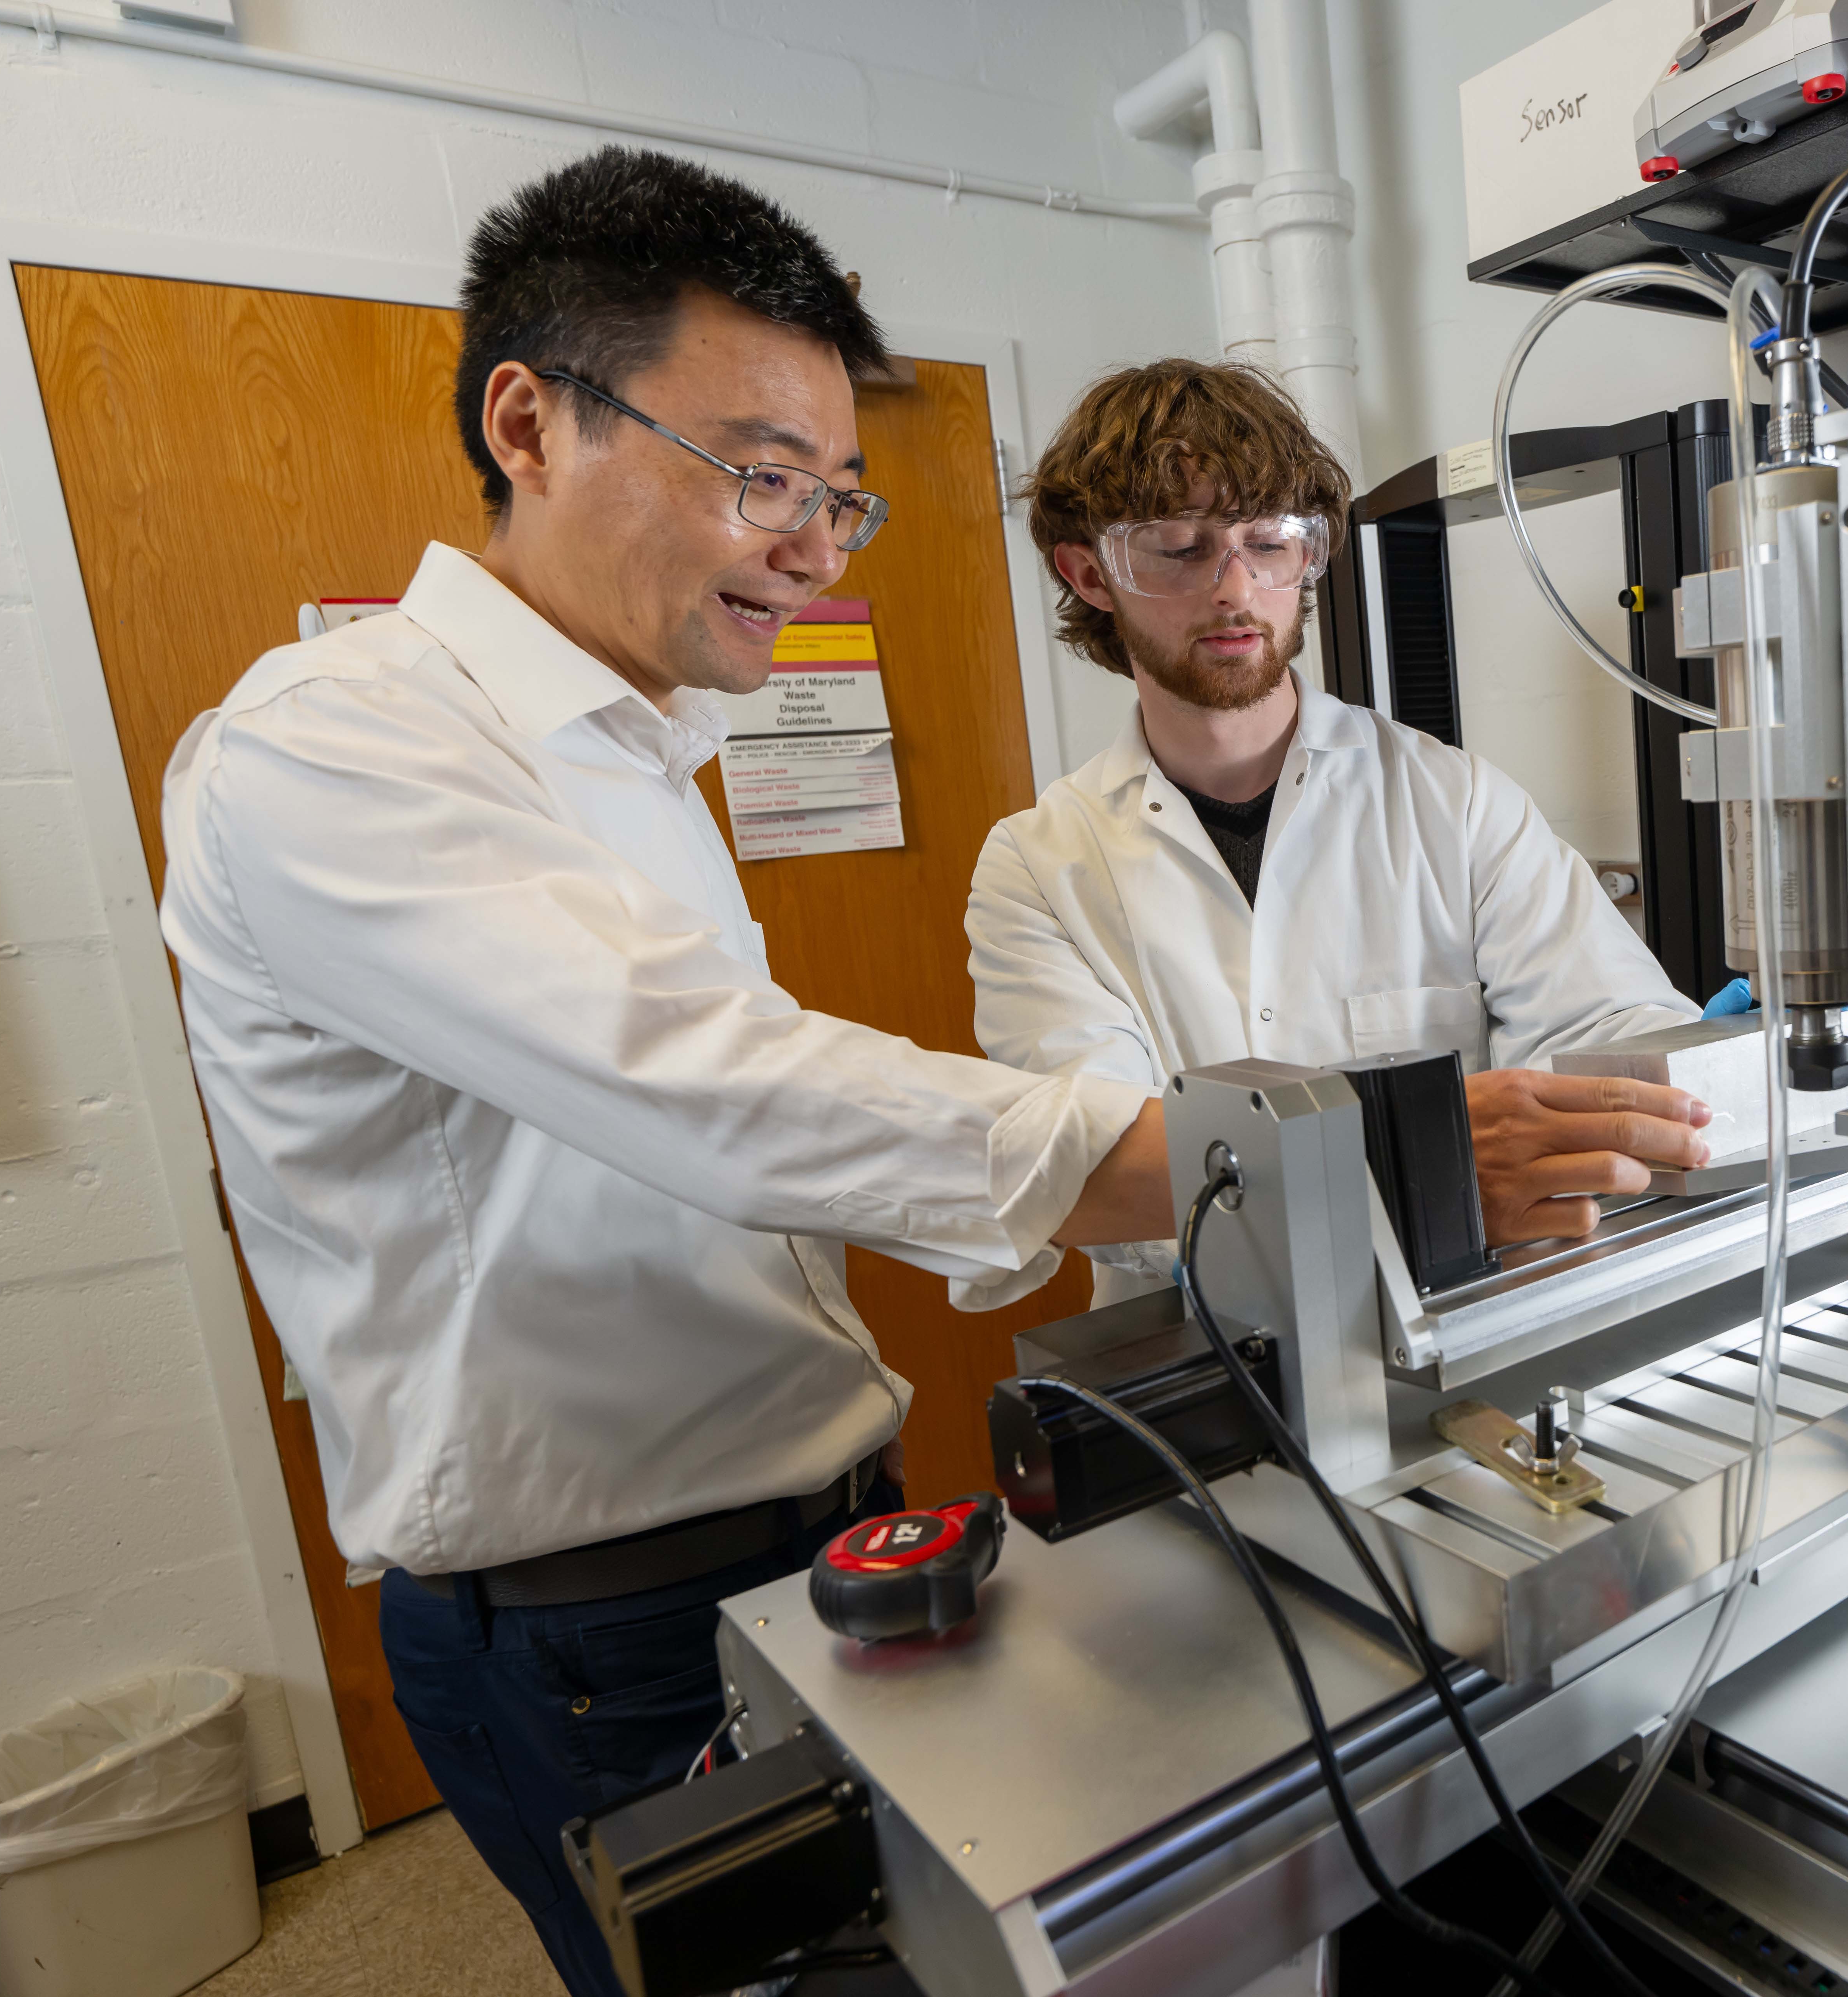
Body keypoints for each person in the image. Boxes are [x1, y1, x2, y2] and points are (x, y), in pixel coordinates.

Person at [157, 149, 1183, 1997]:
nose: (809, 543)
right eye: (759, 477)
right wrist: (1198, 1158)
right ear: (531, 422)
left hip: (827, 1515)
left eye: (838, 496)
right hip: (597, 1617)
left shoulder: (642, 739)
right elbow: (705, 1080)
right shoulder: (328, 750)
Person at [968, 359, 1714, 1287]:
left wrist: (1660, 1090)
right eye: (1179, 547)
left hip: (1467, 1309)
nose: (1236, 589)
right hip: (1203, 1345)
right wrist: (1426, 1151)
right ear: (1090, 574)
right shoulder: (1039, 866)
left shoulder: (1457, 801)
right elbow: (1100, 1172)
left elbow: (1611, 1030)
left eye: (1270, 543)